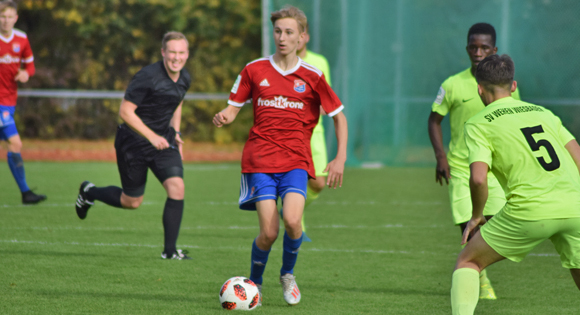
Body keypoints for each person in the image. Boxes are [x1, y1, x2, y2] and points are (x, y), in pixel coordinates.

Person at [213, 5, 347, 306]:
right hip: (259, 161)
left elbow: (339, 116)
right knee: (269, 233)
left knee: (293, 221)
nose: (282, 37)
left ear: (301, 37)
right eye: (278, 31)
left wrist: (340, 158)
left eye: (289, 32)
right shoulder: (254, 69)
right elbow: (233, 108)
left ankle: (287, 275)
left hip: (296, 161)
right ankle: (254, 286)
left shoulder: (313, 75)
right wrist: (224, 116)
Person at [451, 54, 580, 314]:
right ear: (513, 86)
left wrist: (477, 216)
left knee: (468, 262)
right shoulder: (545, 114)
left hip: (530, 210)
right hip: (575, 206)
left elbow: (477, 178)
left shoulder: (478, 123)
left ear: (479, 88)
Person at [75, 31, 192, 260]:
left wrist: (175, 132)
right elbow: (125, 112)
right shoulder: (147, 76)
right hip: (133, 142)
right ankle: (90, 192)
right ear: (163, 53)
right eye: (172, 52)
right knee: (132, 201)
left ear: (187, 54)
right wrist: (151, 137)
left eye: (181, 53)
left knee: (177, 187)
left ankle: (169, 251)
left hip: (163, 140)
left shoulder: (185, 77)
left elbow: (176, 102)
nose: (176, 57)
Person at [427, 23, 520, 299]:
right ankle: (480, 280)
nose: (478, 52)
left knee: (495, 223)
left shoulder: (504, 85)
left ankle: (476, 268)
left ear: (494, 50)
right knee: (469, 226)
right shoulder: (452, 84)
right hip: (460, 167)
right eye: (473, 47)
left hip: (495, 169)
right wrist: (440, 156)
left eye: (484, 48)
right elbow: (434, 120)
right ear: (467, 48)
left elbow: (517, 120)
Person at [0, 0, 46, 204]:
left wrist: (26, 74)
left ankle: (26, 193)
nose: (6, 20)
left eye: (10, 17)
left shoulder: (22, 39)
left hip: (10, 100)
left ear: (16, 18)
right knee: (15, 143)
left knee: (14, 146)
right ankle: (26, 193)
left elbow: (31, 67)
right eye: (2, 16)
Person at [293, 21, 332, 242]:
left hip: (314, 133)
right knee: (297, 180)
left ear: (305, 36)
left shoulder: (319, 62)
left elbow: (326, 98)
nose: (293, 39)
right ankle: (298, 225)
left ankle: (292, 212)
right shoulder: (281, 64)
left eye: (296, 34)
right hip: (290, 136)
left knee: (318, 183)